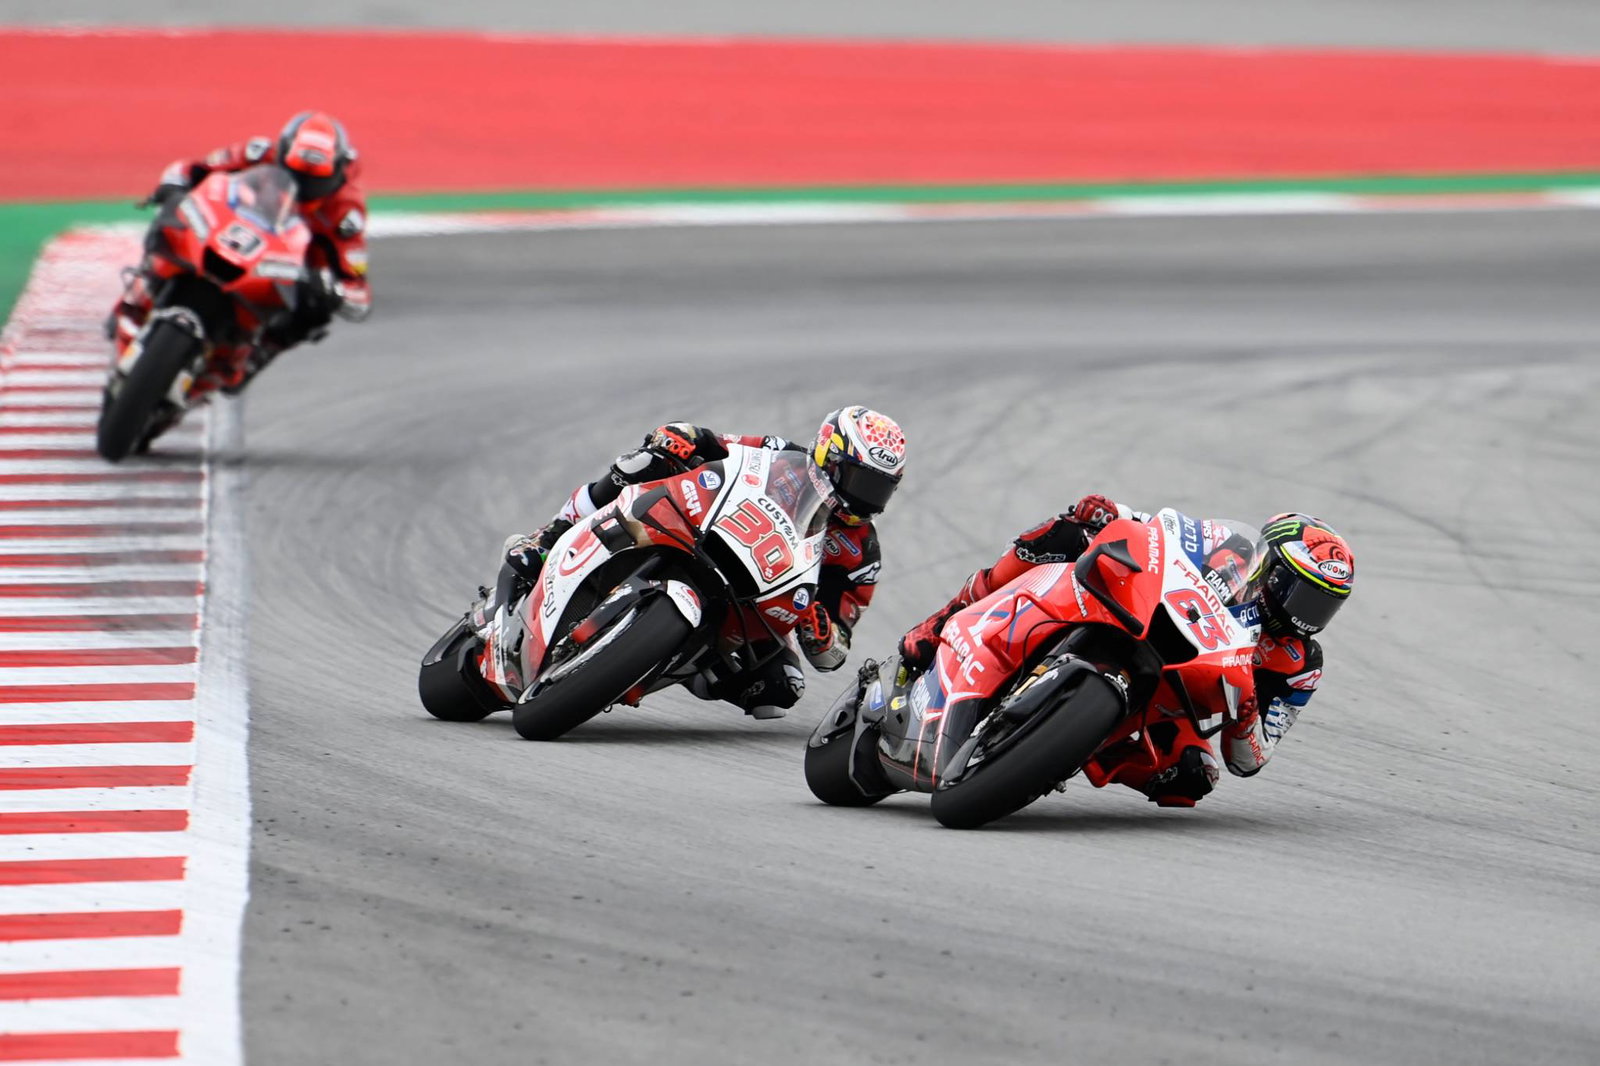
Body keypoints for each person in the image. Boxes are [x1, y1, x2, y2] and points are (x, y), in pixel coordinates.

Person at [897, 495, 1354, 807]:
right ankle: (946, 616)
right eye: (1300, 593)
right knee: (1066, 531)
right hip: (1146, 615)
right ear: (1271, 567)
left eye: (1323, 605)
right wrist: (1112, 510)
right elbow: (1165, 534)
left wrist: (1248, 715)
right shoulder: (1231, 549)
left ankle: (1066, 750)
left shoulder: (1300, 666)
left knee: (1193, 776)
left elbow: (1249, 760)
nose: (1305, 616)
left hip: (1177, 699)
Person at [496, 407, 906, 720]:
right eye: (861, 483)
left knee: (780, 690)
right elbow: (713, 443)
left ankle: (664, 660)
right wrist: (681, 438)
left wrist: (823, 633)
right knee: (642, 464)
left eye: (879, 489)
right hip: (707, 533)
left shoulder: (860, 552)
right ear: (829, 457)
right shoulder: (783, 456)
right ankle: (547, 537)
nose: (867, 500)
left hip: (758, 599)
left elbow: (835, 650)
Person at [109, 111, 372, 396]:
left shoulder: (346, 212)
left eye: (313, 182)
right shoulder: (257, 153)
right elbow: (192, 169)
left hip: (286, 266)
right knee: (172, 215)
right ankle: (144, 284)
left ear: (338, 172)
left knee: (316, 309)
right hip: (234, 231)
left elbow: (358, 290)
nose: (302, 188)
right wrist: (173, 186)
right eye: (294, 175)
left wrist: (333, 289)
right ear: (282, 153)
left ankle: (258, 353)